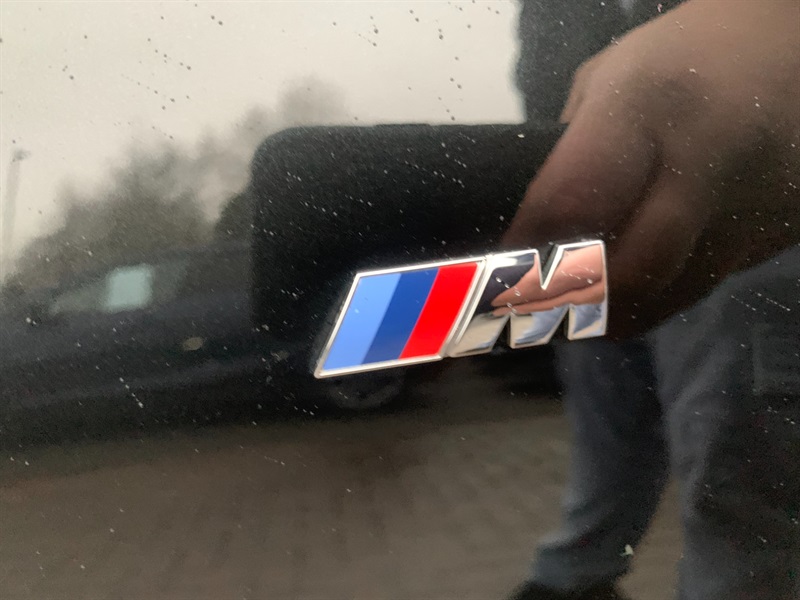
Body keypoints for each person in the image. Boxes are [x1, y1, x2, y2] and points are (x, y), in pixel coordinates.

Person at [502, 1, 800, 599]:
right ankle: (572, 581)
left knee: (735, 504)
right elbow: (545, 65)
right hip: (584, 241)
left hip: (742, 224)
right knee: (605, 459)